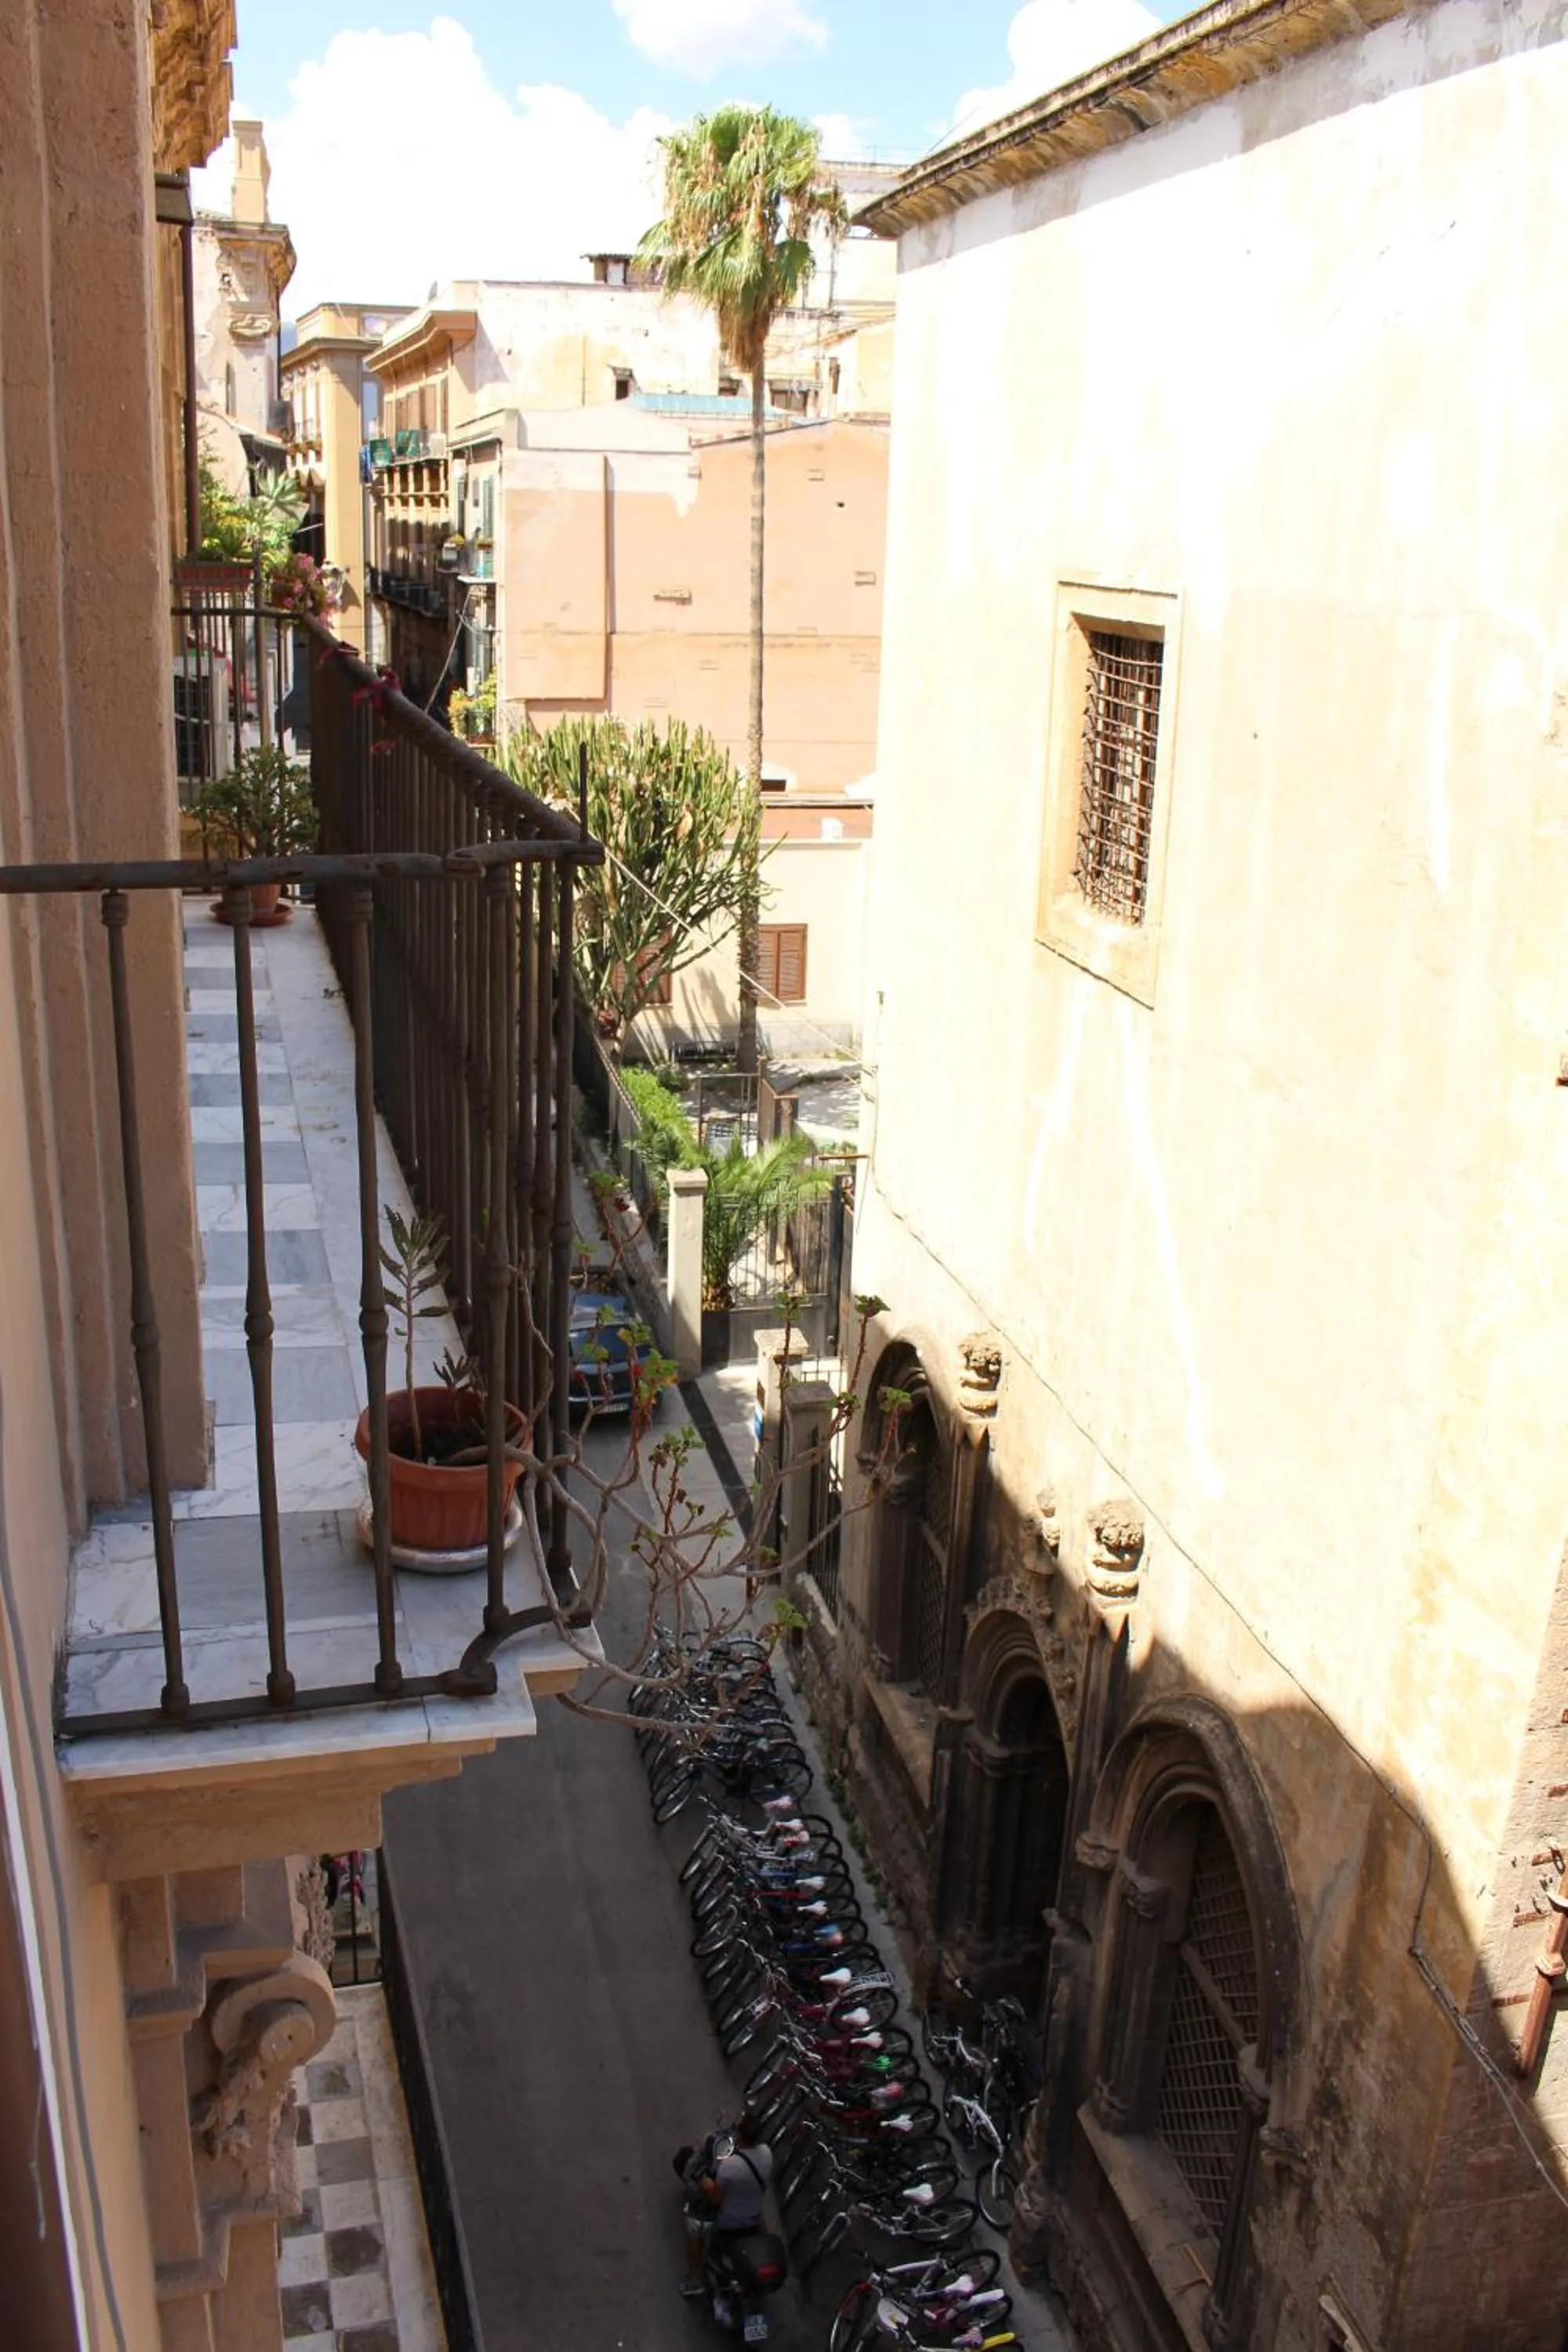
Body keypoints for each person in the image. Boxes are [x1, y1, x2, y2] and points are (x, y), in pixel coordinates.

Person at [679, 2112, 775, 2298]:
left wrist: (706, 2183)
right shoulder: (767, 2154)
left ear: (740, 2133)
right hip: (754, 2217)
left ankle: (693, 2281)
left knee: (693, 2226)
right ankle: (763, 2247)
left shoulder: (730, 2165)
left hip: (728, 2222)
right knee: (760, 2216)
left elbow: (716, 2199)